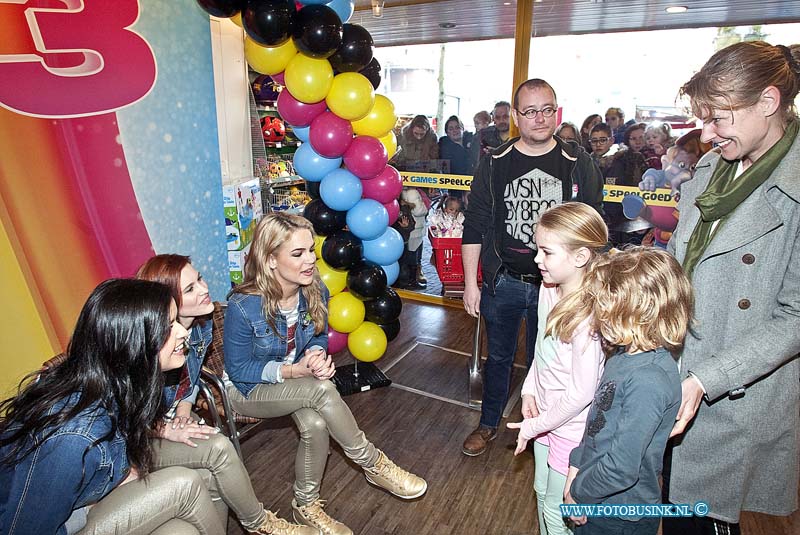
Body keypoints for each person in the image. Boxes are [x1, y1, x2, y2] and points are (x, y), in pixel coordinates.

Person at [663, 41, 800, 535]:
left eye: (719, 119)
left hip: (732, 385)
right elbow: (684, 259)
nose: (706, 134)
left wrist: (705, 381)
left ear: (768, 102)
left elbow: (796, 317)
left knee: (704, 518)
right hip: (675, 367)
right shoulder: (711, 168)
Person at [223, 213, 427, 535]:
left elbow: (317, 334)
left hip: (294, 381)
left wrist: (317, 355)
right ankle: (372, 464)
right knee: (320, 390)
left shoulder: (313, 286)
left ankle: (306, 506)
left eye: (310, 251)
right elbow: (239, 370)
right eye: (297, 254)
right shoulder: (242, 305)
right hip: (247, 389)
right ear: (271, 259)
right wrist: (295, 370)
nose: (309, 261)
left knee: (317, 423)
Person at [0, 279, 227, 534]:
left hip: (83, 505)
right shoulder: (74, 437)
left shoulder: (121, 388)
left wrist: (116, 479)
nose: (183, 332)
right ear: (132, 345)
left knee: (185, 523)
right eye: (168, 327)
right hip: (63, 522)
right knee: (186, 483)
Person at [461, 78, 604, 457]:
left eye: (547, 110)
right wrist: (471, 284)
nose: (540, 118)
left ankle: (545, 432)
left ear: (557, 112)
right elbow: (474, 223)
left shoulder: (578, 163)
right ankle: (489, 424)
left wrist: (588, 285)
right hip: (504, 281)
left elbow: (593, 227)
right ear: (516, 117)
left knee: (553, 361)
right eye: (530, 111)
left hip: (561, 289)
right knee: (500, 359)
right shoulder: (494, 163)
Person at [137, 255, 317, 535]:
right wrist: (165, 429)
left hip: (177, 420)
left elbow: (191, 377)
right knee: (220, 447)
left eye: (199, 279)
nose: (204, 288)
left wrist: (185, 410)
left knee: (212, 477)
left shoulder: (201, 325)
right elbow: (124, 417)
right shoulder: (145, 348)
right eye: (190, 289)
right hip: (141, 438)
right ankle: (260, 524)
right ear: (166, 302)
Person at [564, 247, 693, 535]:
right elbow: (597, 424)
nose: (599, 316)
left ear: (643, 313)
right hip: (595, 495)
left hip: (620, 516)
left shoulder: (649, 381)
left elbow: (621, 468)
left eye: (608, 310)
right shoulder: (623, 356)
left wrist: (579, 493)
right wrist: (576, 465)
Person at [506, 203, 607, 535]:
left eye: (547, 252)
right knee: (540, 493)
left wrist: (535, 426)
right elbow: (541, 349)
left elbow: (582, 393)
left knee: (557, 509)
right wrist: (529, 389)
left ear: (580, 257)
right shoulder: (548, 290)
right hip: (545, 418)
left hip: (570, 429)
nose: (537, 259)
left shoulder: (587, 316)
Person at [438, 115, 475, 197]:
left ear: (462, 128)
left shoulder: (474, 142)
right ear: (447, 132)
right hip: (456, 187)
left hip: (475, 185)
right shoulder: (443, 148)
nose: (455, 130)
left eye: (457, 127)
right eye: (451, 129)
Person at [470, 101, 512, 168]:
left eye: (505, 117)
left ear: (513, 117)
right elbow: (474, 164)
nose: (501, 121)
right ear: (493, 119)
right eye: (498, 117)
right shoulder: (482, 136)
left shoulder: (523, 137)